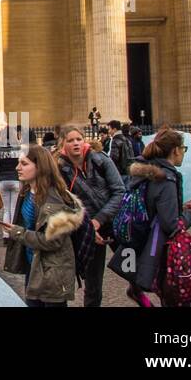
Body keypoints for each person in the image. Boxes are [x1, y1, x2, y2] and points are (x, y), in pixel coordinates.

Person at [118, 129, 191, 307]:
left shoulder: (148, 171)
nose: (183, 153)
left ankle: (139, 294)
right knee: (176, 298)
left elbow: (154, 207)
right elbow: (170, 224)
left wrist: (180, 207)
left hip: (145, 242)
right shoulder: (166, 178)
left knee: (166, 294)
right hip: (162, 249)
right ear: (175, 150)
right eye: (183, 149)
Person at [0, 144, 84, 307]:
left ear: (40, 167)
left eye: (24, 164)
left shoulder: (54, 199)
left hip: (53, 271)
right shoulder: (26, 192)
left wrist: (17, 233)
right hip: (34, 266)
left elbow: (53, 241)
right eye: (19, 163)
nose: (18, 167)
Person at [55, 124, 126, 307]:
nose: (76, 143)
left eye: (79, 139)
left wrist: (99, 220)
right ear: (63, 143)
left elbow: (119, 191)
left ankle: (139, 293)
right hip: (88, 230)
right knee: (93, 283)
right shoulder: (60, 169)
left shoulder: (100, 159)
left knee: (137, 270)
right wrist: (88, 227)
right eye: (70, 140)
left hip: (113, 222)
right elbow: (64, 204)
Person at [0, 130, 22, 225]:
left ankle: (5, 234)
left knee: (6, 209)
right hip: (16, 179)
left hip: (3, 179)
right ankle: (12, 232)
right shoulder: (19, 148)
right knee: (14, 208)